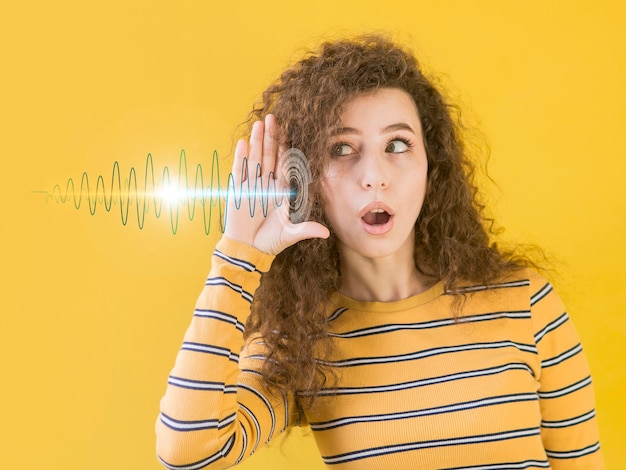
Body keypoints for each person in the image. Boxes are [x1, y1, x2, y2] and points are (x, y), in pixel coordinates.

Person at [155, 34, 603, 469]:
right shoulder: (300, 343)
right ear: (305, 180)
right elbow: (189, 449)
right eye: (341, 148)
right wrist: (240, 255)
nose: (374, 175)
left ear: (432, 164)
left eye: (397, 144)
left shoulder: (525, 302)